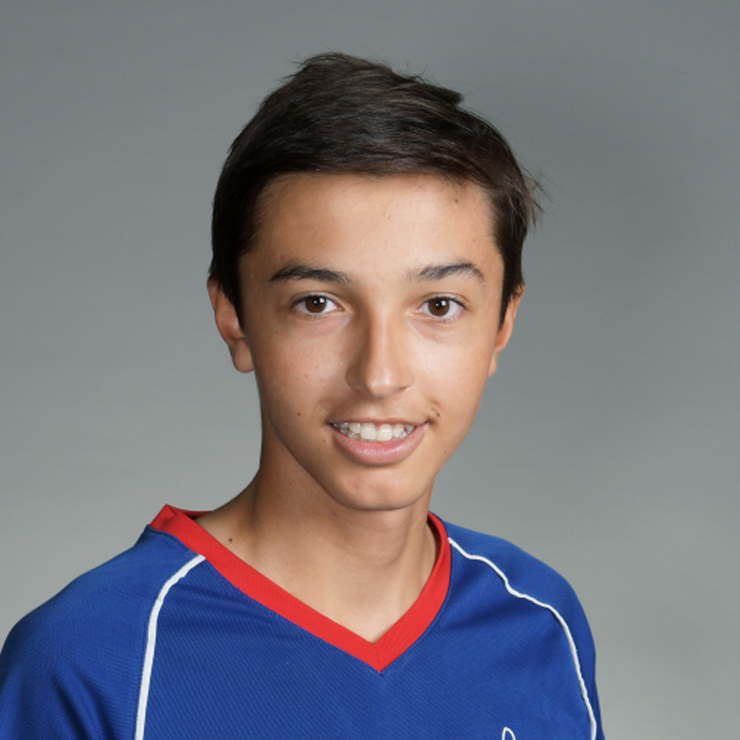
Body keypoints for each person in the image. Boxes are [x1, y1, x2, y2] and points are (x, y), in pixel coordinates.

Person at [0, 53, 605, 739]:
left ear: (501, 324)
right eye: (318, 303)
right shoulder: (91, 659)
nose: (379, 375)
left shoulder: (539, 623)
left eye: (439, 305)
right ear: (235, 317)